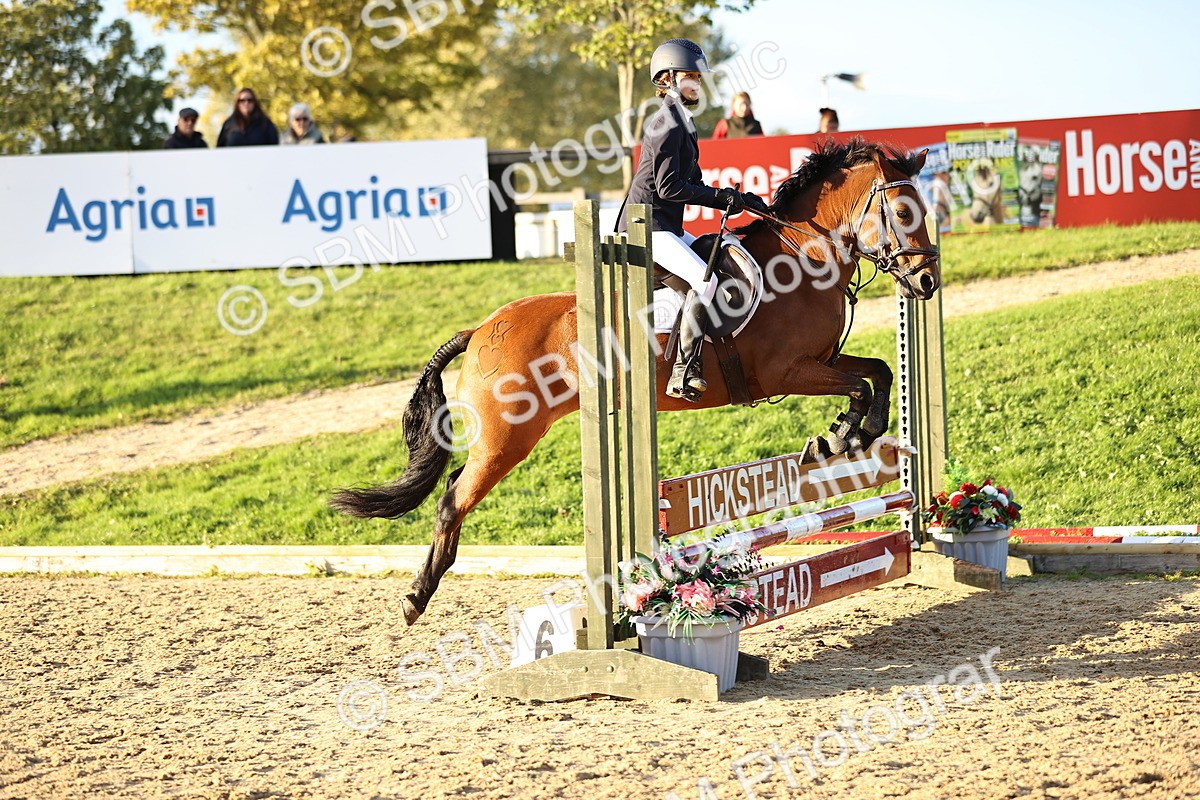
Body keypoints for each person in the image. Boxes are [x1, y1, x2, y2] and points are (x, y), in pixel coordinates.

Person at [617, 38, 770, 401]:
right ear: (668, 79)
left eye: (699, 78)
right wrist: (721, 198)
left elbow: (695, 184)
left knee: (717, 259)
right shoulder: (667, 123)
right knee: (705, 283)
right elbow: (670, 189)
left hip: (664, 225)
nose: (697, 83)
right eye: (691, 77)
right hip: (646, 227)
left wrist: (738, 200)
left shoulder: (684, 122)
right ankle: (683, 372)